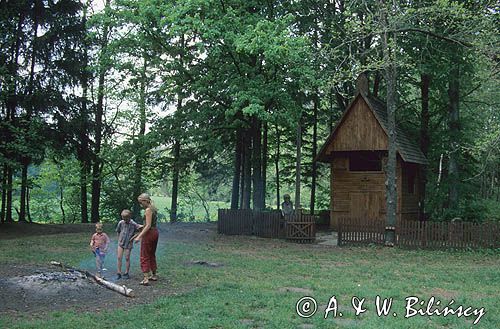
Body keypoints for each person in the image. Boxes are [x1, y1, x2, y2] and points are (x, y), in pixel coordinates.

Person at [134, 192, 159, 285]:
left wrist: (139, 237)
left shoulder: (148, 210)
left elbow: (148, 226)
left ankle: (145, 278)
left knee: (144, 255)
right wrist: (142, 226)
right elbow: (150, 224)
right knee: (152, 254)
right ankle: (154, 275)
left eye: (141, 202)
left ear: (146, 201)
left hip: (149, 234)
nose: (141, 205)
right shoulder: (154, 208)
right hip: (155, 232)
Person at [116, 209, 142, 280]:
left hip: (128, 244)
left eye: (126, 218)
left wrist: (133, 238)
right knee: (119, 257)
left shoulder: (133, 224)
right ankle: (119, 272)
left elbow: (140, 231)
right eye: (123, 218)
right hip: (121, 243)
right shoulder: (121, 223)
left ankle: (127, 272)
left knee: (127, 258)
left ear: (129, 217)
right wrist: (119, 239)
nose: (124, 220)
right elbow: (118, 231)